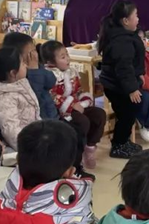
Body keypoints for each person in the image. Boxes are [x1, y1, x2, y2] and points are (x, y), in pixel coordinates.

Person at [40, 40, 107, 170]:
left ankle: (90, 147)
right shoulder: (48, 75)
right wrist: (71, 105)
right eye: (63, 57)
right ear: (50, 62)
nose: (68, 59)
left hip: (77, 105)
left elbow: (78, 91)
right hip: (62, 112)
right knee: (82, 122)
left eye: (67, 55)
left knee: (99, 114)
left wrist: (85, 99)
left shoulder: (72, 71)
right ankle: (77, 155)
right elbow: (50, 96)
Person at [99, 0, 144, 158]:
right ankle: (118, 145)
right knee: (126, 115)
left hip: (121, 84)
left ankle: (123, 141)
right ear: (125, 21)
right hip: (118, 86)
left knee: (129, 114)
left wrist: (140, 75)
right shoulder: (121, 40)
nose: (138, 19)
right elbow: (123, 67)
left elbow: (132, 63)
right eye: (135, 16)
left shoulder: (125, 35)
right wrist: (132, 88)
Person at [0, 47, 40, 149]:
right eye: (23, 63)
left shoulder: (19, 82)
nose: (26, 65)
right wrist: (32, 149)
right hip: (19, 148)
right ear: (13, 73)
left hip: (32, 137)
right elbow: (12, 134)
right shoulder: (3, 100)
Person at [2, 33, 58, 120]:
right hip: (42, 119)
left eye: (34, 50)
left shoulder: (37, 66)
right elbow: (33, 96)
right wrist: (34, 71)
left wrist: (37, 68)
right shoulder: (19, 74)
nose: (35, 54)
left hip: (51, 113)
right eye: (31, 52)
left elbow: (51, 82)